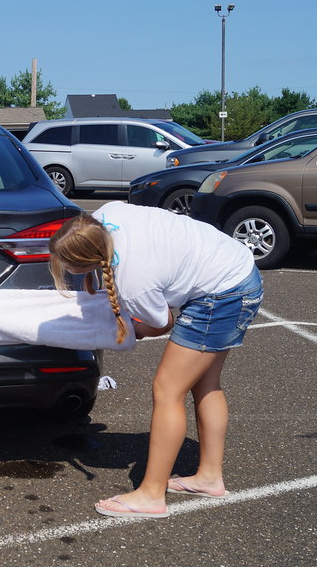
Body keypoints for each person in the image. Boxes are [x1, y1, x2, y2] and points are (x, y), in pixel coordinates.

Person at [48, 201, 262, 518]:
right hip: (234, 272)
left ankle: (150, 495)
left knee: (167, 390)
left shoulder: (135, 280)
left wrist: (129, 329)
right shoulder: (106, 215)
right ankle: (208, 477)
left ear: (88, 262)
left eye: (70, 268)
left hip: (223, 294)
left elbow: (161, 323)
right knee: (205, 383)